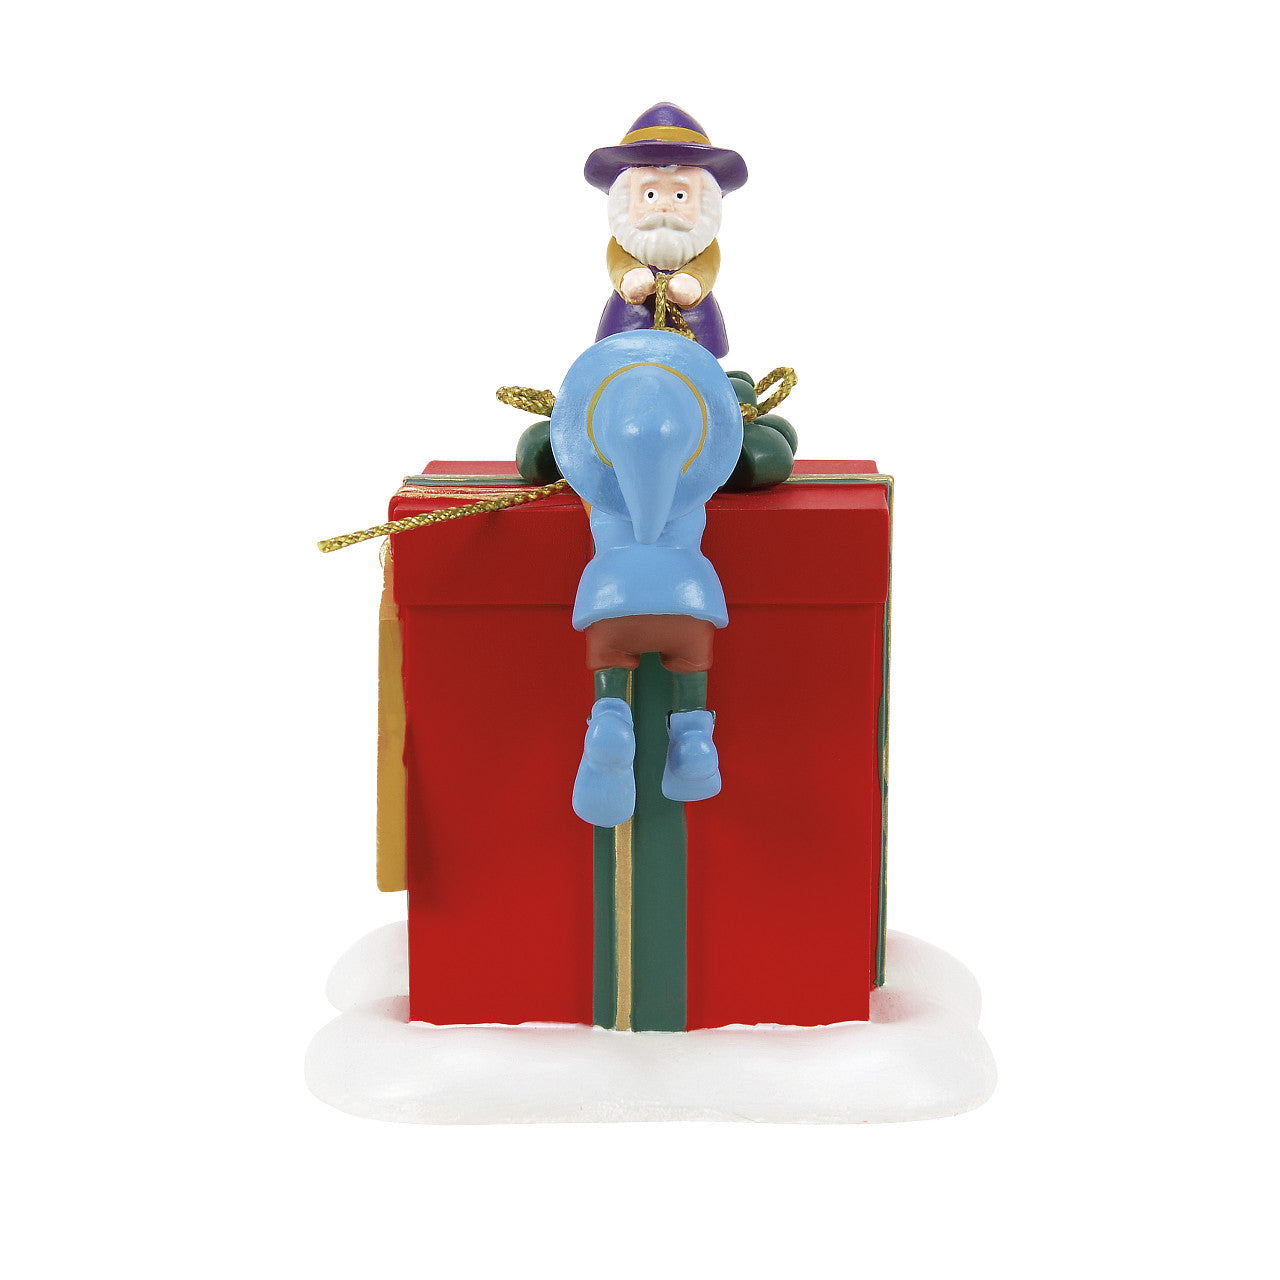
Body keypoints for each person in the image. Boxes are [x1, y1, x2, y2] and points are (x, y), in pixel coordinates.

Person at [584, 103, 748, 359]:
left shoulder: (704, 246)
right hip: (629, 317)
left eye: (681, 195)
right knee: (619, 360)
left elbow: (707, 266)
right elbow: (618, 262)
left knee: (697, 365)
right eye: (649, 194)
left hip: (694, 319)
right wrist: (629, 277)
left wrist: (694, 282)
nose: (664, 207)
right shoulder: (623, 243)